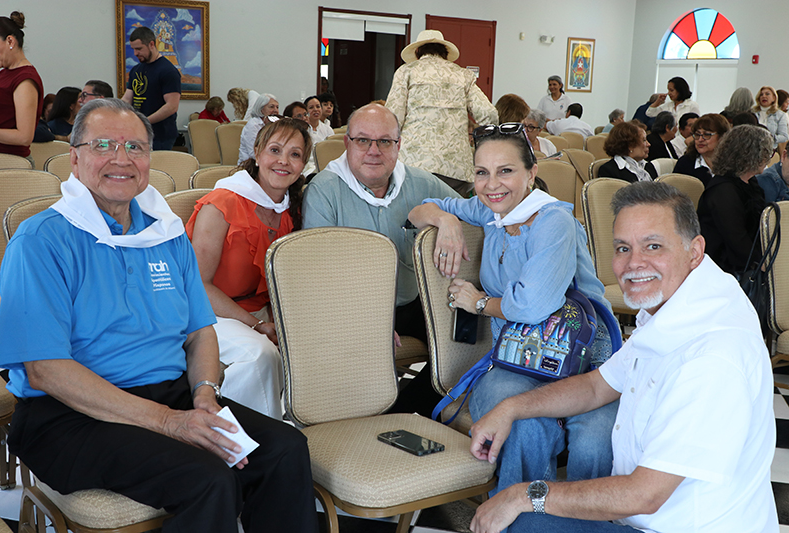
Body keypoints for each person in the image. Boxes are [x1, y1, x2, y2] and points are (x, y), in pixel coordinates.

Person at [0, 98, 318, 533]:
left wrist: (205, 396)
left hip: (171, 394)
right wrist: (172, 423)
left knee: (284, 449)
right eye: (104, 145)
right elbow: (45, 370)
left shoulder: (163, 233)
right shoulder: (42, 241)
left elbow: (200, 331)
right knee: (211, 480)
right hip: (70, 416)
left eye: (135, 147)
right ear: (74, 158)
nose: (121, 159)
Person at [467, 180, 778, 533]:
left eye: (653, 246)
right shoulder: (677, 306)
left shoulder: (713, 356)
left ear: (694, 250)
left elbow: (643, 496)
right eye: (622, 248)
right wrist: (510, 408)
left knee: (519, 521)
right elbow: (598, 386)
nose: (634, 263)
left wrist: (525, 494)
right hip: (647, 520)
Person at [408, 121, 618, 501]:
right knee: (523, 428)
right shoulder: (490, 210)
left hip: (584, 360)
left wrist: (478, 303)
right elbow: (419, 211)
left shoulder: (553, 220)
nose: (492, 185)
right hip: (518, 357)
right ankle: (520, 521)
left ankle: (580, 522)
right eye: (481, 173)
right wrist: (446, 221)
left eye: (506, 171)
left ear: (531, 173)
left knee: (594, 442)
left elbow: (533, 304)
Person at [303, 103, 459, 414]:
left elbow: (472, 208)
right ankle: (383, 418)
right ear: (347, 143)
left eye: (385, 141)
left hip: (412, 300)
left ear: (398, 145)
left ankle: (404, 412)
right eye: (363, 140)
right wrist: (366, 318)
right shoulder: (324, 190)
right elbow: (318, 271)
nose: (374, 150)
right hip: (351, 305)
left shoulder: (420, 182)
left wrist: (449, 220)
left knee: (468, 345)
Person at [186, 118, 309, 419]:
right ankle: (242, 435)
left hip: (262, 311)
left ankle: (303, 425)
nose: (283, 161)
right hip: (209, 311)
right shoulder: (223, 203)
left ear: (304, 163)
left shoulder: (293, 208)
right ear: (256, 152)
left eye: (295, 154)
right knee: (261, 357)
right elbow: (199, 284)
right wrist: (256, 325)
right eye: (275, 150)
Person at [385, 29, 498, 196]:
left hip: (413, 164)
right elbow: (489, 114)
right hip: (456, 168)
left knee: (415, 216)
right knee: (450, 215)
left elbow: (392, 118)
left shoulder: (406, 71)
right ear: (445, 52)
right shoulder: (462, 75)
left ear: (417, 52)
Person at [697, 124, 772, 274]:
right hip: (724, 267)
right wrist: (764, 265)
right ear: (750, 155)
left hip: (744, 260)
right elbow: (737, 240)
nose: (768, 158)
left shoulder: (750, 182)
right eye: (766, 153)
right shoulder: (723, 191)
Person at [0, 11, 43, 159]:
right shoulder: (5, 73)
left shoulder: (25, 79)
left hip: (11, 165)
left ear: (10, 42)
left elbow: (24, 137)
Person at [122, 26, 181, 150]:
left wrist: (144, 122)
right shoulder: (135, 70)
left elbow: (171, 106)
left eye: (139, 49)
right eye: (133, 49)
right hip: (138, 133)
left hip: (160, 135)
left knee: (156, 169)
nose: (135, 53)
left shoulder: (168, 71)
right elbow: (127, 99)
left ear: (151, 44)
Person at [673, 113, 731, 186]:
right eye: (697, 134)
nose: (700, 139)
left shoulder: (732, 164)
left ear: (722, 137)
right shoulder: (685, 164)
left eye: (707, 134)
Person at [237, 93, 279, 164]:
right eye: (271, 107)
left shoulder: (275, 124)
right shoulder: (253, 125)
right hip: (250, 166)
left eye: (277, 107)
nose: (275, 110)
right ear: (261, 109)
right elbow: (253, 153)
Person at [753, 85, 789, 150]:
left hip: (769, 149)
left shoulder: (780, 115)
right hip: (752, 148)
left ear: (774, 98)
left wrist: (770, 138)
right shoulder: (752, 112)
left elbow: (784, 137)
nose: (764, 96)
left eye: (767, 94)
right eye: (761, 95)